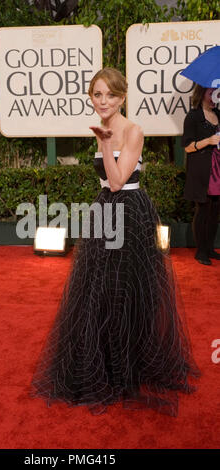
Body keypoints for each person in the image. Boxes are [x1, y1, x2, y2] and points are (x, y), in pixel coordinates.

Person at [30, 67, 200, 416]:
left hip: (129, 213)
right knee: (99, 288)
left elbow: (119, 181)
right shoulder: (103, 130)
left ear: (122, 97)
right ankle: (103, 361)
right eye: (97, 94)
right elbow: (106, 185)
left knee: (127, 288)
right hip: (105, 212)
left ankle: (127, 367)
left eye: (110, 95)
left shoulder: (133, 131)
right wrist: (104, 141)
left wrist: (107, 143)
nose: (103, 101)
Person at [182, 85, 220, 265]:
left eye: (216, 92)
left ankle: (210, 248)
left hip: (218, 168)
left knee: (215, 211)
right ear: (202, 93)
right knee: (203, 209)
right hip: (202, 170)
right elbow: (188, 146)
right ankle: (201, 251)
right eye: (210, 92)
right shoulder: (193, 116)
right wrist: (208, 141)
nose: (214, 95)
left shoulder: (219, 115)